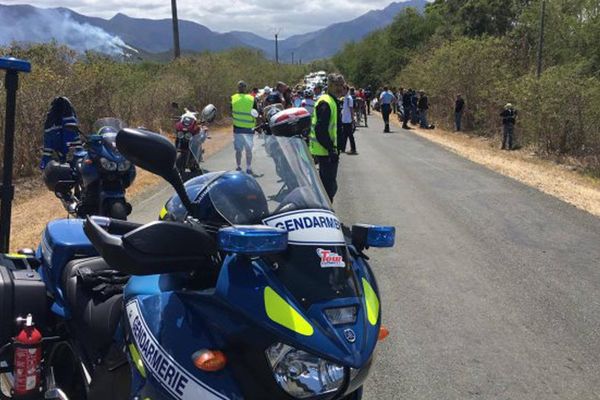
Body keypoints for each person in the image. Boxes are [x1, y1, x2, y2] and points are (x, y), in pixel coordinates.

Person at [309, 73, 346, 202]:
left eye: (342, 85)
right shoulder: (326, 102)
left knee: (329, 187)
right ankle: (327, 216)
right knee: (328, 189)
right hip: (325, 152)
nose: (340, 88)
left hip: (328, 151)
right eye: (337, 85)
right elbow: (320, 129)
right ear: (329, 86)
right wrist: (330, 149)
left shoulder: (332, 100)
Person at [40, 96, 81, 170]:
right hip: (64, 161)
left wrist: (44, 164)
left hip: (68, 159)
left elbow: (47, 146)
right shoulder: (70, 119)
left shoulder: (50, 122)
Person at [231, 80, 258, 174]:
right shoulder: (251, 99)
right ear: (245, 88)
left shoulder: (233, 98)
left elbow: (231, 110)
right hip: (249, 129)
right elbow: (256, 113)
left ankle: (238, 166)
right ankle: (248, 167)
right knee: (248, 150)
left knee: (238, 150)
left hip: (237, 129)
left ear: (238, 88)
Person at [339, 85, 357, 155]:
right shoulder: (344, 98)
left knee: (350, 135)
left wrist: (353, 120)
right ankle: (343, 148)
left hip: (348, 120)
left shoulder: (349, 98)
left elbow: (351, 109)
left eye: (343, 89)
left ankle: (353, 149)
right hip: (344, 119)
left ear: (346, 90)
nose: (342, 91)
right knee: (344, 135)